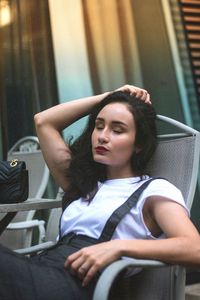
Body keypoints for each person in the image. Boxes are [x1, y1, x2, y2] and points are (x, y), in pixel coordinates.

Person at [0, 84, 199, 300]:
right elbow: (44, 121)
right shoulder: (83, 184)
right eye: (99, 125)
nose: (102, 136)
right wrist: (108, 97)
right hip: (39, 272)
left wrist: (119, 247)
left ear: (139, 143)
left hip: (74, 287)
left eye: (117, 129)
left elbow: (194, 248)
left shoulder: (153, 190)